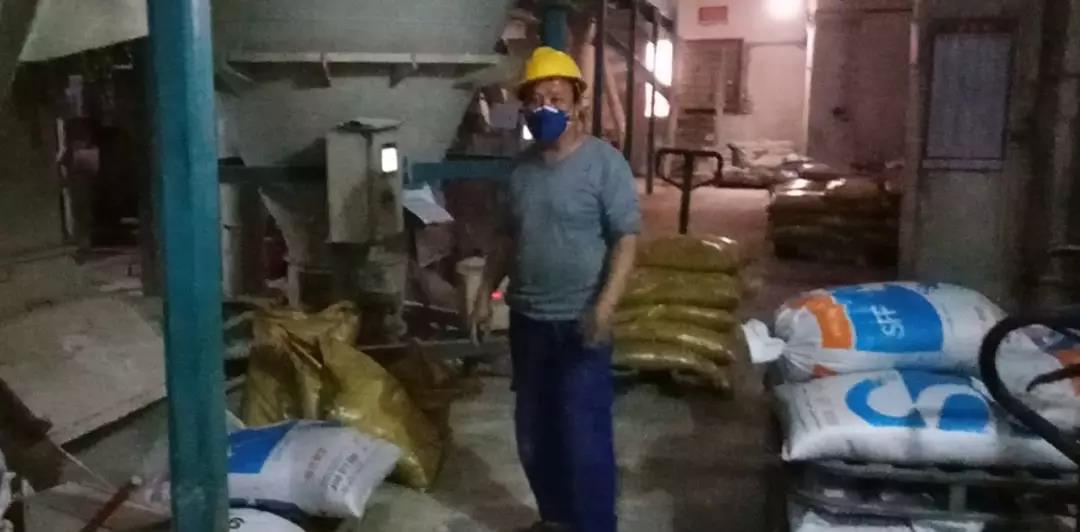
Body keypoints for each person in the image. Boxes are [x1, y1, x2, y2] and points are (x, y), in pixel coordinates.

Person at [468, 46, 641, 532]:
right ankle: (556, 520)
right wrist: (484, 293)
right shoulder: (520, 170)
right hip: (528, 322)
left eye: (557, 98)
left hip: (580, 322)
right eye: (536, 99)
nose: (546, 108)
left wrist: (605, 306)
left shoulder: (604, 165)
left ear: (578, 103)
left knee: (583, 437)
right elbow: (506, 238)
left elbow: (626, 239)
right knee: (535, 435)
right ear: (524, 108)